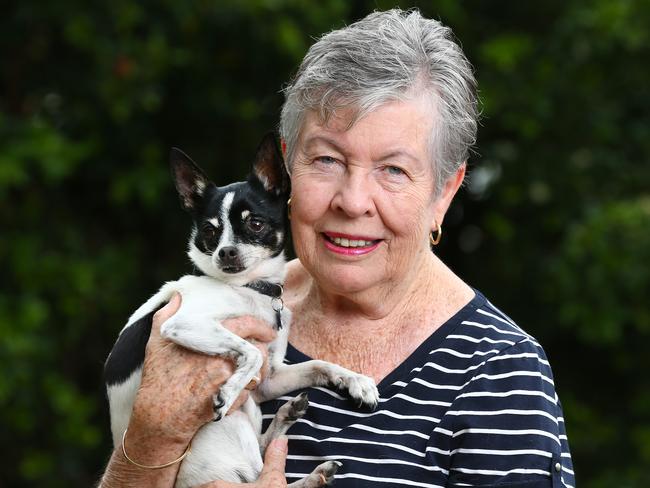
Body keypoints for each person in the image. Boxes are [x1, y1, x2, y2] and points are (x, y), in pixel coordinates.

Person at [99, 9, 575, 488]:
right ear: (286, 170)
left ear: (444, 193)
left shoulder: (500, 376)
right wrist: (152, 440)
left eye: (393, 170)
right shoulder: (219, 310)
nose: (352, 201)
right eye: (327, 159)